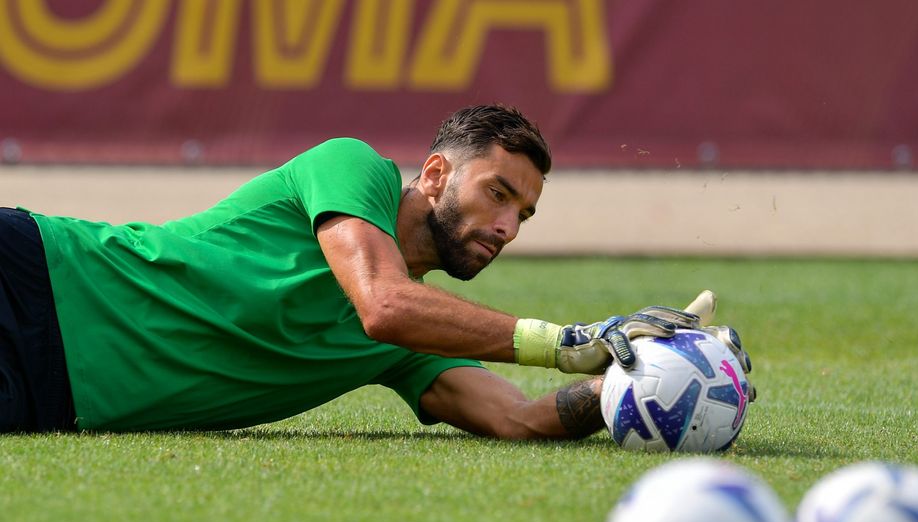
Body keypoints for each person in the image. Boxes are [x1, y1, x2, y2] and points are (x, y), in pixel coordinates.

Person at [1, 104, 750, 438]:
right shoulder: (351, 167)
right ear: (432, 174)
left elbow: (515, 417)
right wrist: (572, 338)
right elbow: (382, 303)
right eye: (497, 193)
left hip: (46, 396)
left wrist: (641, 378)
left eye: (523, 215)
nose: (506, 228)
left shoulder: (414, 339)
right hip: (37, 272)